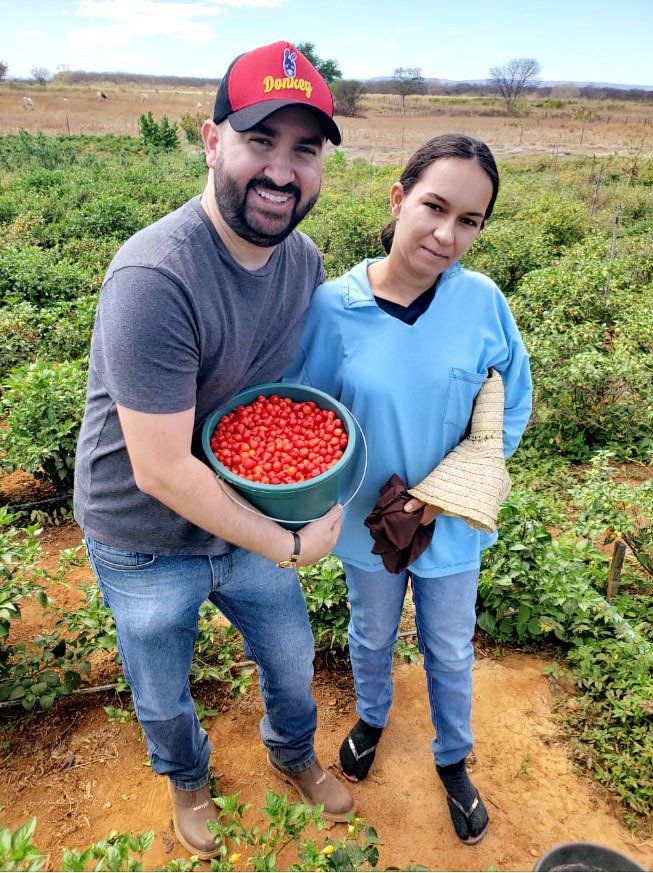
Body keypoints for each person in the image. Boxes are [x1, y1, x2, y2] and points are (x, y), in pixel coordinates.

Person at [73, 41, 355, 860]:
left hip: (244, 507)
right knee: (161, 683)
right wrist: (290, 541)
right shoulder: (154, 276)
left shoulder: (302, 262)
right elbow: (160, 468)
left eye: (304, 149)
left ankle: (292, 750)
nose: (280, 169)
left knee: (291, 655)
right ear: (210, 140)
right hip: (143, 535)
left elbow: (280, 399)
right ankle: (187, 778)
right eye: (259, 140)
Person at [285, 134, 532, 845]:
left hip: (449, 520)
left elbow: (510, 402)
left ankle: (452, 757)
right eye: (434, 206)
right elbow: (309, 415)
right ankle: (371, 714)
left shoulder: (480, 301)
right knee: (369, 627)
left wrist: (451, 487)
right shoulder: (334, 307)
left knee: (449, 645)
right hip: (366, 519)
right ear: (397, 200)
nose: (447, 234)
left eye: (469, 221)